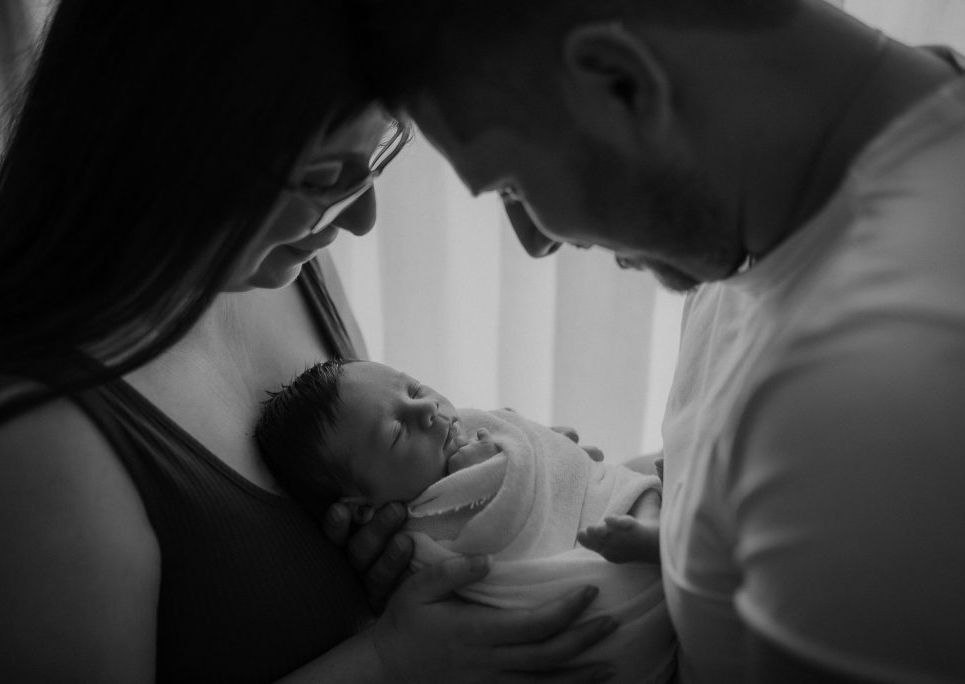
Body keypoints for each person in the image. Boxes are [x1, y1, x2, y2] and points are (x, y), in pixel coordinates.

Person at [0, 1, 624, 682]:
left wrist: (512, 506)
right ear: (168, 141)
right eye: (327, 178)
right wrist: (387, 661)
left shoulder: (278, 267)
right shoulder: (34, 452)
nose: (360, 219)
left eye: (374, 162)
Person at [350, 0, 965, 681]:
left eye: (512, 185)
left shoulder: (872, 388)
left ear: (620, 81)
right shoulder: (763, 236)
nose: (536, 241)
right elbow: (733, 488)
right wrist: (533, 515)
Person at [256, 358, 676, 683]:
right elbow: (491, 540)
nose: (428, 409)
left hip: (603, 525)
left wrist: (537, 448)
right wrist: (492, 468)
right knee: (636, 497)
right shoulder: (422, 518)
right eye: (398, 431)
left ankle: (654, 529)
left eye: (415, 388)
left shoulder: (454, 434)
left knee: (626, 487)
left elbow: (554, 470)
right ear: (362, 506)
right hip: (588, 611)